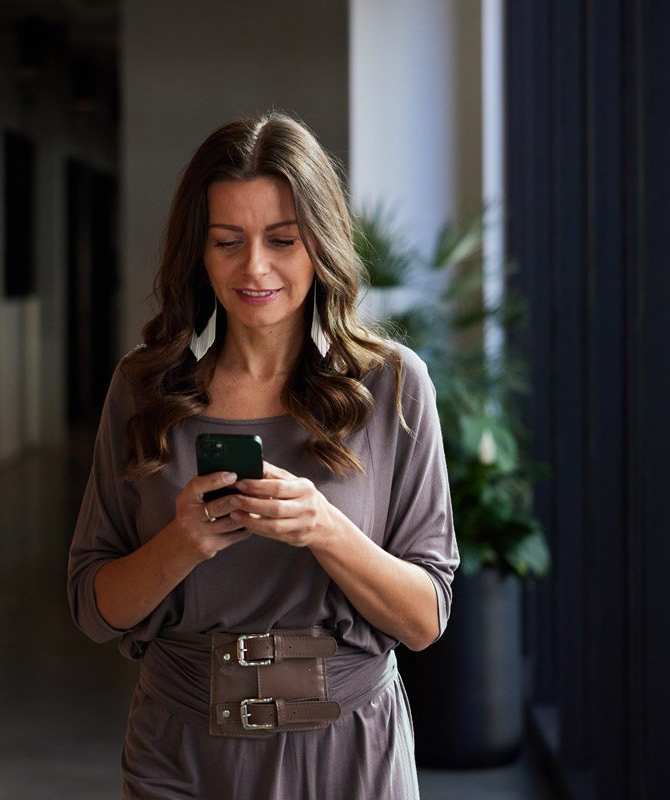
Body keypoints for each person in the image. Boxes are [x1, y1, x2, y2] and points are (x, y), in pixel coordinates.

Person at [67, 111, 459, 799]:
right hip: (179, 754)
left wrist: (325, 528)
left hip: (347, 754)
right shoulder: (142, 389)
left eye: (282, 239)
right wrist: (181, 543)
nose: (254, 267)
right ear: (198, 252)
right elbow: (93, 607)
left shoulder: (394, 386)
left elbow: (425, 620)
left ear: (321, 242)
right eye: (227, 241)